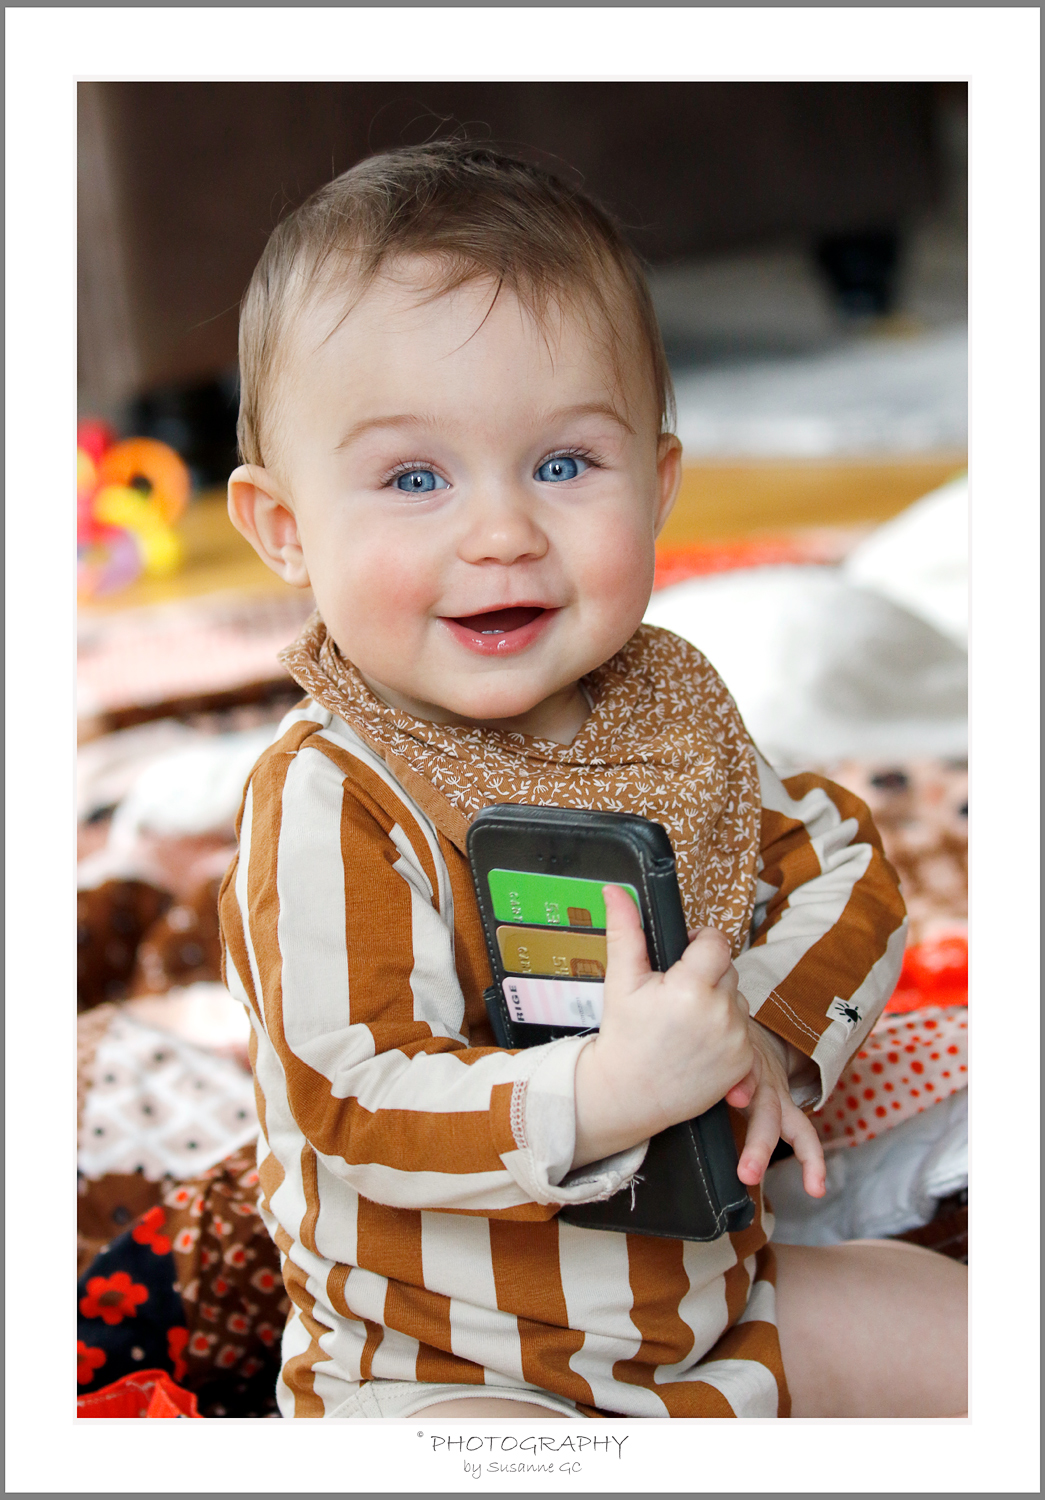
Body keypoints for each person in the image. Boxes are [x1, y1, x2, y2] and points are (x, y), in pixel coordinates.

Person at [220, 142, 967, 1420]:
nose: (503, 532)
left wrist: (756, 1035)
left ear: (658, 485)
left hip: (718, 1312)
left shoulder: (665, 717)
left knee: (976, 1344)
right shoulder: (332, 792)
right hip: (448, 1370)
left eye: (563, 465)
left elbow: (838, 860)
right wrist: (601, 1094)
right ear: (286, 530)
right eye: (414, 479)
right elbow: (351, 1096)